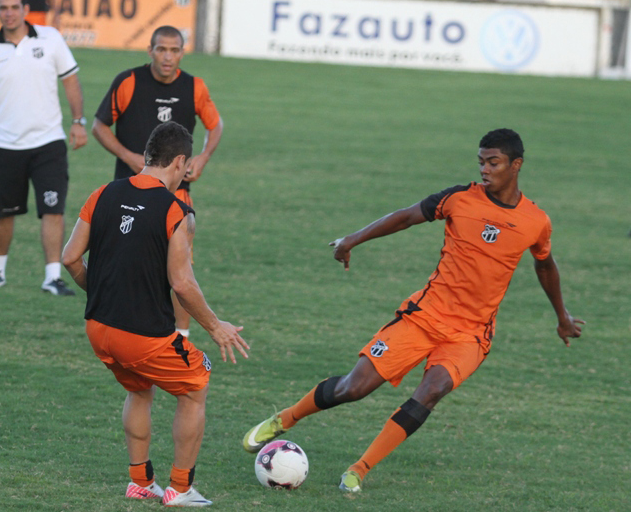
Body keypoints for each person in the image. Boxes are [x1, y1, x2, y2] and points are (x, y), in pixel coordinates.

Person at [242, 129, 585, 492]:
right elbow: (405, 217)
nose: (485, 169)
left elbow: (545, 265)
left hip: (470, 334)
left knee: (432, 390)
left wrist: (562, 316)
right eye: (481, 161)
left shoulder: (535, 221)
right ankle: (285, 419)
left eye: (493, 163)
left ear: (516, 165)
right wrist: (352, 239)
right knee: (353, 388)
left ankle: (358, 469)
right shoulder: (459, 198)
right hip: (423, 317)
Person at [62, 121, 249, 506]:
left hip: (98, 328)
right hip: (143, 336)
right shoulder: (175, 211)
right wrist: (216, 327)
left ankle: (140, 482)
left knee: (138, 389)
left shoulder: (102, 193)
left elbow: (69, 257)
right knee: (197, 384)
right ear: (180, 161)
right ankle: (179, 489)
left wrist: (96, 290)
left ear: (147, 155)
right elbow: (182, 284)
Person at [93, 25, 224, 338]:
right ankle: (123, 326)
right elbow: (99, 125)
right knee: (129, 263)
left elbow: (216, 125)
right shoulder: (128, 82)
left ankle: (181, 337)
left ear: (181, 52)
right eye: (161, 49)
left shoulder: (194, 87)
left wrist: (202, 157)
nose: (168, 57)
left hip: (176, 195)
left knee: (181, 268)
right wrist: (127, 155)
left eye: (174, 50)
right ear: (150, 50)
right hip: (130, 190)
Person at [0, 0, 88, 295]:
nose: (8, 13)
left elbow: (71, 81)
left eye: (14, 7)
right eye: (3, 8)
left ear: (25, 8)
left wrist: (77, 121)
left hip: (48, 142)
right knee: (2, 213)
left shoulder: (50, 39)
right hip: (4, 144)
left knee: (53, 209)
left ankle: (52, 277)